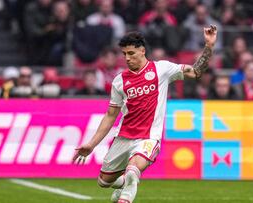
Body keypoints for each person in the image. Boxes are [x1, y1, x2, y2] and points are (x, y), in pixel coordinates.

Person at [73, 25, 217, 203]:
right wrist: (92, 144)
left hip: (148, 138)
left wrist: (209, 46)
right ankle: (125, 182)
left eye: (131, 53)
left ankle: (126, 194)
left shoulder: (161, 69)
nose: (127, 58)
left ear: (142, 51)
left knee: (134, 170)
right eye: (124, 54)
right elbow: (111, 115)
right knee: (104, 182)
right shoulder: (120, 81)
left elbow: (195, 72)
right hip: (123, 137)